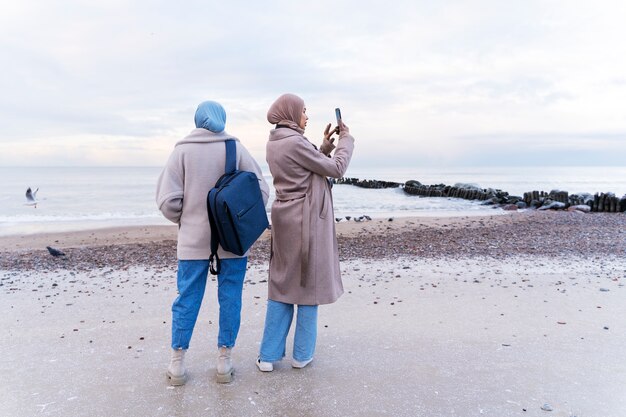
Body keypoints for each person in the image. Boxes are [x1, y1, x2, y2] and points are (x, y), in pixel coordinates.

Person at [156, 100, 269, 385]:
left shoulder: (181, 151)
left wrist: (188, 217)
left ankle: (178, 364)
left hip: (193, 240)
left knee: (187, 299)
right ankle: (224, 363)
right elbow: (261, 191)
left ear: (197, 120)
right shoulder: (235, 147)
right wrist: (239, 220)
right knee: (230, 297)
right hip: (232, 239)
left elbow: (168, 201)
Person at [256, 93, 355, 372]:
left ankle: (268, 355)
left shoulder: (276, 142)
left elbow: (303, 169)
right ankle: (301, 355)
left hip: (286, 218)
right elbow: (336, 169)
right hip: (306, 221)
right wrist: (345, 142)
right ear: (290, 113)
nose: (307, 116)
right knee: (308, 285)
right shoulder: (295, 142)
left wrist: (322, 147)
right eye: (304, 111)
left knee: (282, 283)